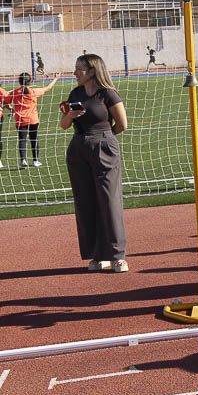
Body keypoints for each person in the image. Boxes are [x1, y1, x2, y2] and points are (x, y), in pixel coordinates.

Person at [59, 55, 129, 273]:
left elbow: (122, 124)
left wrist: (104, 138)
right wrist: (70, 116)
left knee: (109, 200)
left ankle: (117, 256)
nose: (75, 72)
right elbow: (63, 125)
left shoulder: (108, 93)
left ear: (91, 71)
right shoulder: (75, 94)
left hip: (103, 147)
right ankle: (98, 255)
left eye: (78, 69)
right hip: (79, 149)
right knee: (86, 201)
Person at [2, 73, 59, 168]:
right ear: (30, 81)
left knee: (22, 140)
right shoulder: (34, 92)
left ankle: (23, 161)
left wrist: (11, 109)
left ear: (19, 81)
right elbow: (47, 88)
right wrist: (56, 78)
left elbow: (4, 102)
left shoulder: (14, 92)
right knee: (34, 139)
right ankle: (35, 161)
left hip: (20, 120)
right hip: (33, 120)